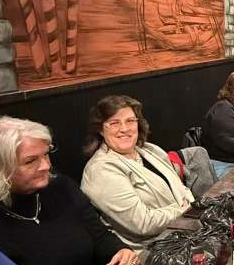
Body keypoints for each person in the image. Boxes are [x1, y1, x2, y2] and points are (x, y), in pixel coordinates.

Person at [0, 117, 138, 265]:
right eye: (30, 161)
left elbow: (100, 237)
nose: (46, 166)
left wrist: (120, 251)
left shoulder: (61, 187)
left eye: (46, 154)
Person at [80, 95, 196, 247]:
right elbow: (143, 224)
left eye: (130, 121)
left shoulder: (150, 150)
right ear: (101, 129)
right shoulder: (100, 170)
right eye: (114, 123)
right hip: (153, 250)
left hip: (185, 233)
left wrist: (191, 207)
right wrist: (188, 209)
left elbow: (181, 189)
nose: (124, 129)